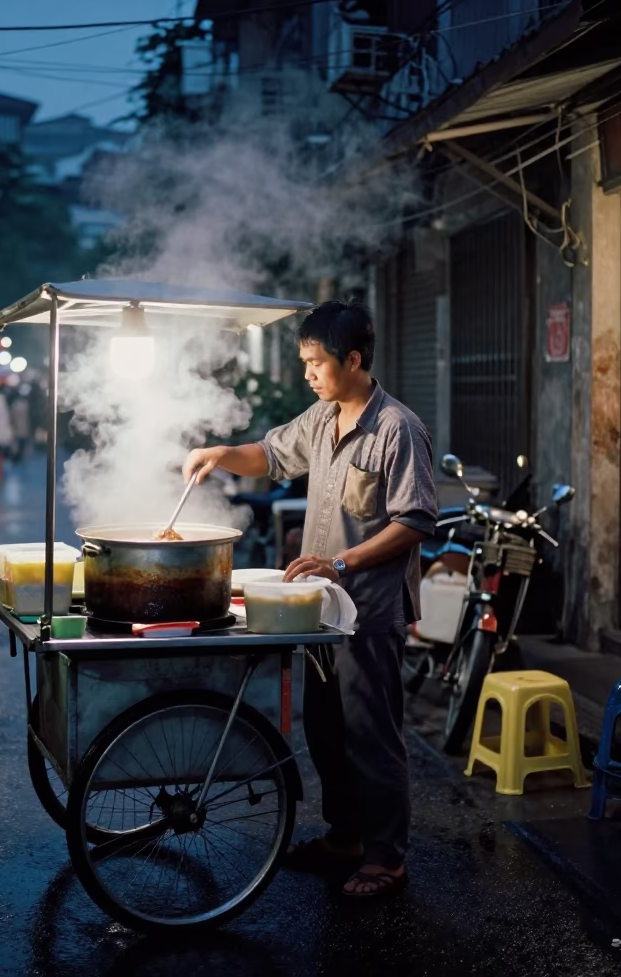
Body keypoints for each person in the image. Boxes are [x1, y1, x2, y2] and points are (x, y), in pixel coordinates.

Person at [183, 299, 437, 899]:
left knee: (371, 735)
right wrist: (221, 454)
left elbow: (416, 520)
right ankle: (345, 836)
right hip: (319, 610)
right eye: (304, 362)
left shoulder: (397, 428)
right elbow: (271, 455)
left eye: (316, 362)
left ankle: (386, 857)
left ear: (352, 359)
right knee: (324, 730)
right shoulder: (322, 418)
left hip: (367, 612)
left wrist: (343, 561)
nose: (308, 374)